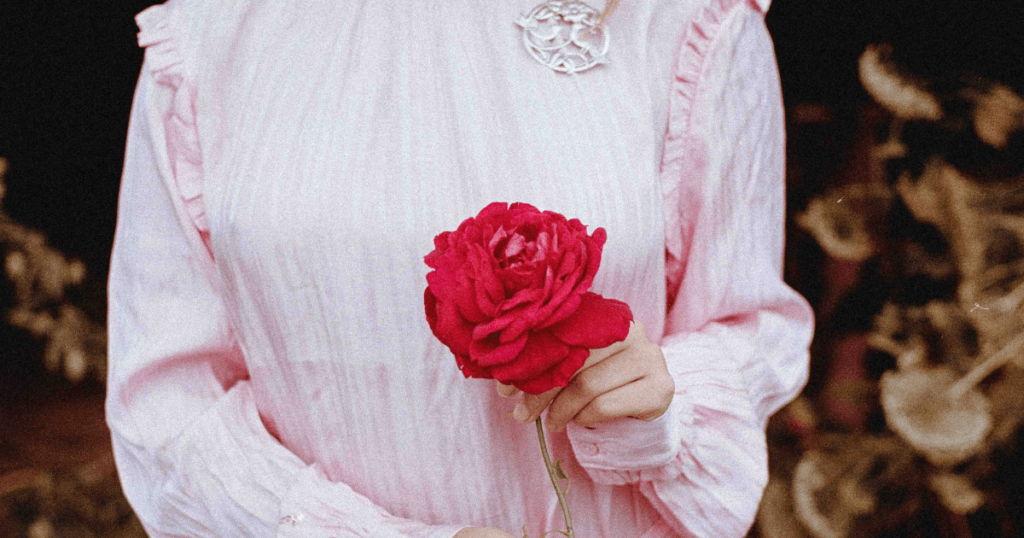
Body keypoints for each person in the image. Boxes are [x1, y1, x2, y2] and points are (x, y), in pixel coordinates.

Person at [106, 0, 814, 536]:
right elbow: (166, 402)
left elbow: (748, 324)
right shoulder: (211, 33)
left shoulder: (684, 20)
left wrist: (661, 403)